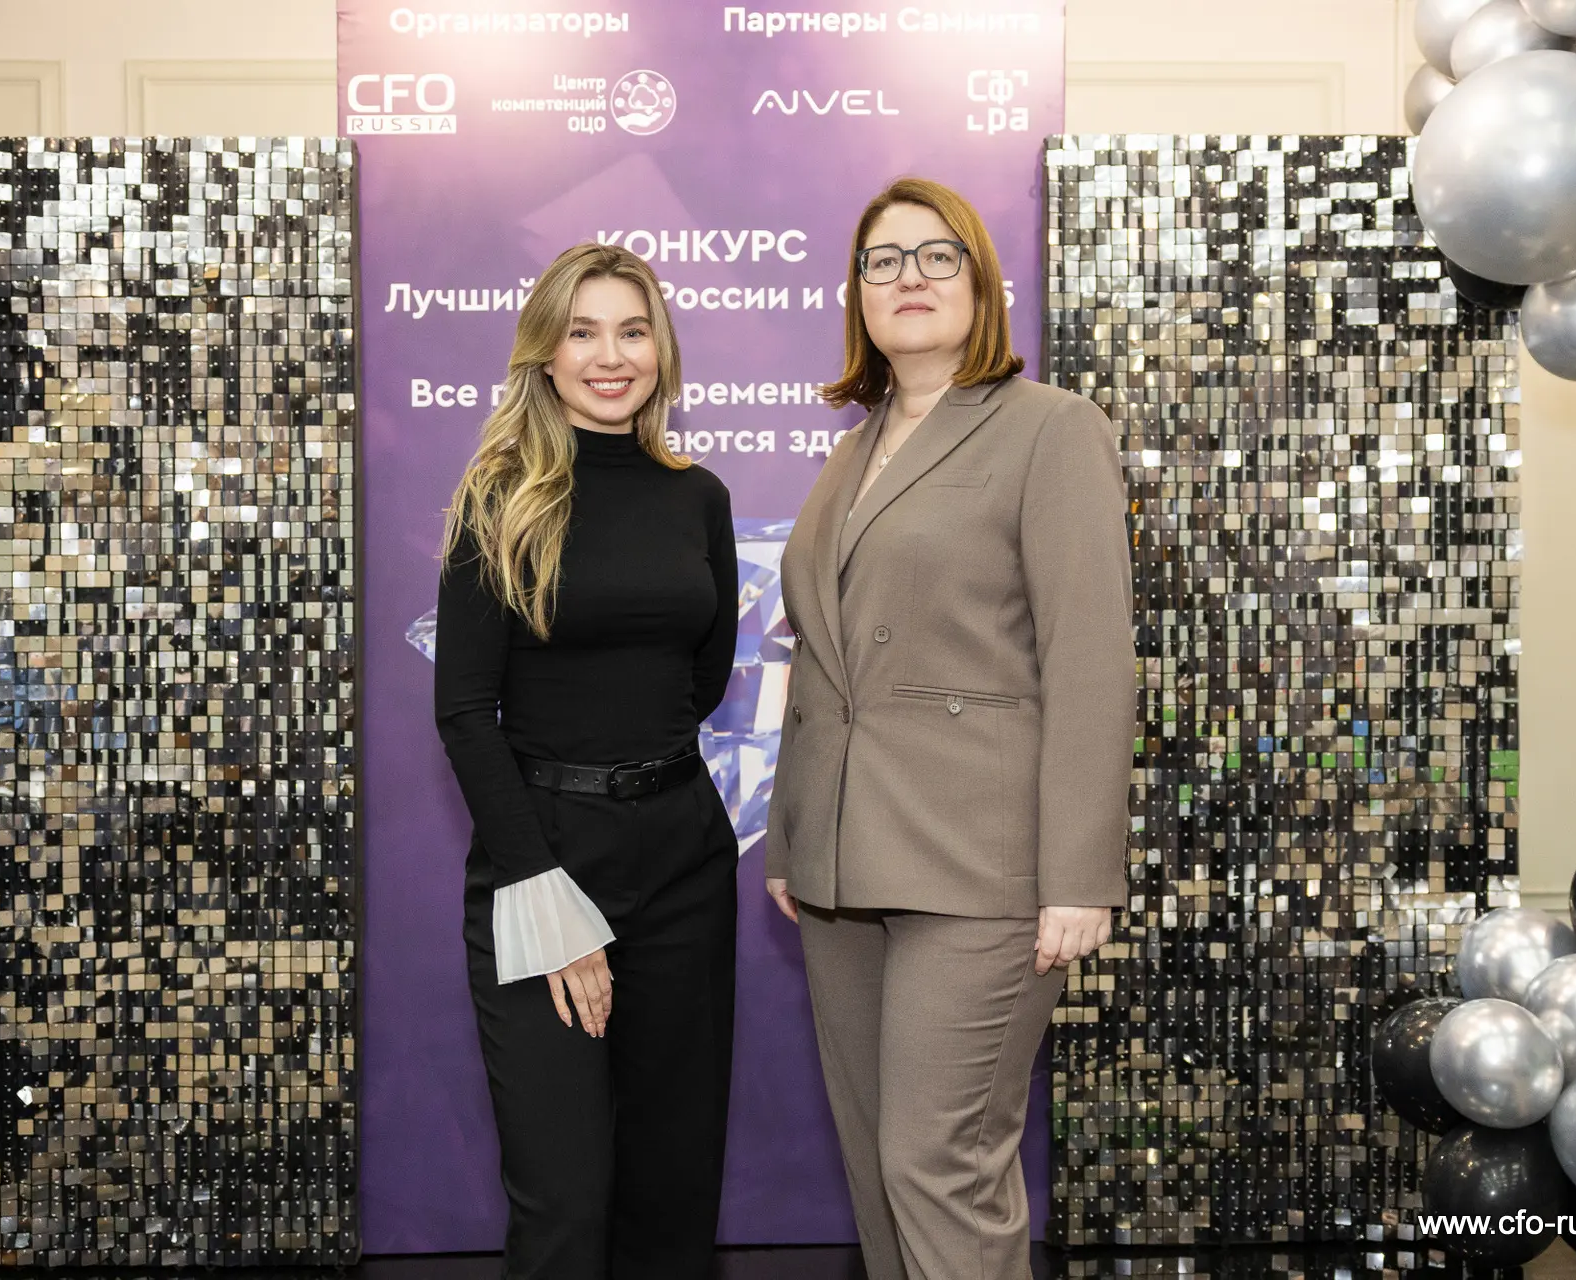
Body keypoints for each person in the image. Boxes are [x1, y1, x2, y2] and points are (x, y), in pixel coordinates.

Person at [764, 177, 1136, 1279]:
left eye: (938, 255)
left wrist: (1080, 875)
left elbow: (1089, 657)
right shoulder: (852, 450)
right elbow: (822, 665)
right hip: (842, 864)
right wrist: (790, 840)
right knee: (879, 1162)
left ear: (982, 283)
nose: (909, 278)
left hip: (984, 863)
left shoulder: (1051, 429)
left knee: (939, 1160)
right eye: (882, 261)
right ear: (857, 294)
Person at [434, 242, 739, 1279]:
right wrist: (548, 892)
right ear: (546, 353)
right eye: (584, 331)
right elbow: (465, 713)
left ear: (662, 350)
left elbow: (702, 679)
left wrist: (642, 781)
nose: (612, 356)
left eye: (633, 330)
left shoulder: (699, 495)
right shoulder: (499, 495)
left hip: (685, 858)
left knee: (673, 1187)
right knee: (563, 1201)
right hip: (542, 855)